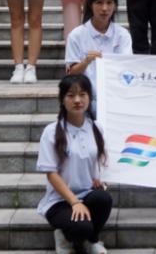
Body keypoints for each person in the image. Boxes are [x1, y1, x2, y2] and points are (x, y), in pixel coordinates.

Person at [37, 74, 112, 254]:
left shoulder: (97, 128)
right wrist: (74, 202)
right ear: (62, 100)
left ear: (90, 98)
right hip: (60, 201)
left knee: (103, 199)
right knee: (81, 227)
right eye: (71, 95)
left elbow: (101, 163)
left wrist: (100, 181)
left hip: (87, 195)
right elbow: (51, 173)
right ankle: (64, 237)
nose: (77, 100)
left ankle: (93, 241)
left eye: (82, 94)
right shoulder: (51, 132)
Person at [65, 0, 132, 114]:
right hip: (86, 100)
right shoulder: (76, 35)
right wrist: (86, 62)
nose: (104, 8)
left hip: (114, 96)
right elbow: (71, 72)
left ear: (115, 5)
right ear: (90, 4)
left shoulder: (122, 35)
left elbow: (126, 68)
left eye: (109, 3)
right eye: (99, 3)